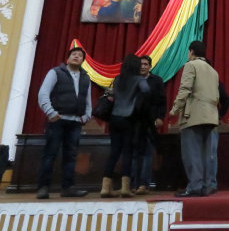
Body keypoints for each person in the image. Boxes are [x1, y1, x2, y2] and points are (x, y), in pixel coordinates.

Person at [37, 47, 91, 199]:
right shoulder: (55, 72)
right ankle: (43, 187)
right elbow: (43, 94)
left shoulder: (86, 77)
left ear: (83, 61)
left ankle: (68, 188)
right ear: (67, 58)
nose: (76, 57)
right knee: (50, 154)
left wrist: (86, 116)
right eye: (74, 54)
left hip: (75, 123)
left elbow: (88, 100)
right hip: (57, 121)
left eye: (80, 55)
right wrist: (50, 112)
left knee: (71, 156)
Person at [170, 41, 219, 197]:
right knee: (208, 154)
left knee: (192, 153)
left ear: (191, 51)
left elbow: (185, 89)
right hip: (211, 115)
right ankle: (209, 185)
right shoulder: (213, 71)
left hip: (193, 114)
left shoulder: (191, 65)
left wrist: (175, 109)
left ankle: (195, 186)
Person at [100, 54, 150, 198]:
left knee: (114, 152)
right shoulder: (139, 79)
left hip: (114, 117)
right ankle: (125, 188)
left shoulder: (118, 79)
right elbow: (146, 91)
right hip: (128, 118)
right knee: (127, 152)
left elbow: (113, 95)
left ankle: (105, 187)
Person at [131, 55, 166, 195]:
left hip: (149, 121)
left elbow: (162, 101)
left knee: (147, 153)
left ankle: (144, 184)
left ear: (150, 66)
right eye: (141, 64)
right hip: (133, 121)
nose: (143, 66)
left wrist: (159, 117)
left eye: (146, 64)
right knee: (133, 153)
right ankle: (132, 184)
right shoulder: (132, 80)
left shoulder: (156, 81)